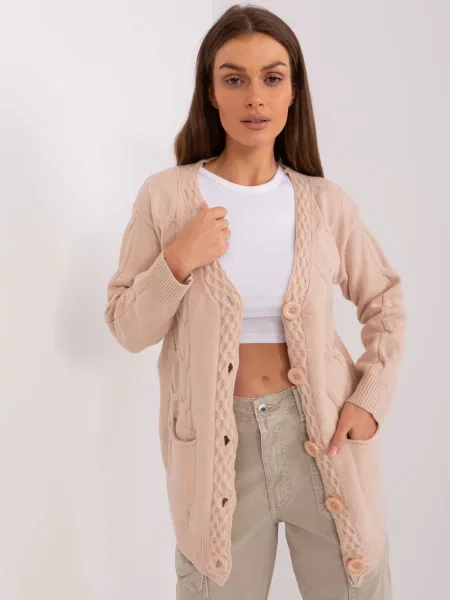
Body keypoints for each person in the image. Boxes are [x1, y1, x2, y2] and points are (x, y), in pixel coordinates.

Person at [104, 4, 406, 599]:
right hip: (216, 449)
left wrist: (370, 397)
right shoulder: (166, 198)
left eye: (272, 77)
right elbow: (126, 327)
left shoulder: (324, 202)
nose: (255, 97)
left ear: (293, 91)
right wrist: (177, 261)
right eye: (234, 78)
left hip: (326, 434)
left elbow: (385, 301)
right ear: (211, 92)